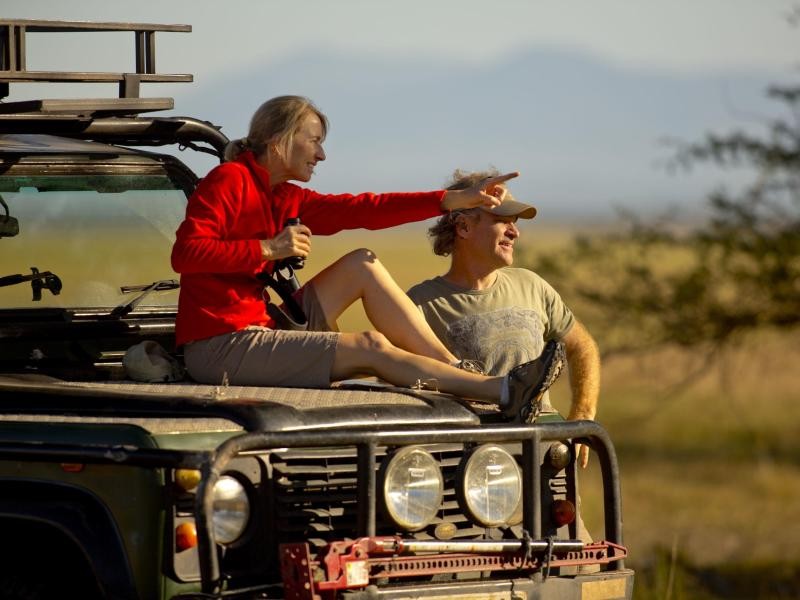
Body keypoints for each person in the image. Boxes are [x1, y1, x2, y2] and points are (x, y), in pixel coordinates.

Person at [170, 95, 563, 419]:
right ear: (280, 141)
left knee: (362, 262)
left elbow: (365, 209)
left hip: (262, 326)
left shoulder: (283, 195)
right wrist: (267, 249)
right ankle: (501, 390)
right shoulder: (229, 181)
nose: (321, 154)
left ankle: (456, 371)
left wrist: (450, 201)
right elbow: (185, 254)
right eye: (314, 141)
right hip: (219, 346)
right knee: (370, 347)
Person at [407, 169, 600, 468]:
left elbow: (582, 345)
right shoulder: (419, 303)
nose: (515, 232)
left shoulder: (532, 285)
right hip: (468, 474)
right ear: (463, 227)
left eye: (515, 223)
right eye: (502, 221)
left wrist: (583, 415)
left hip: (544, 462)